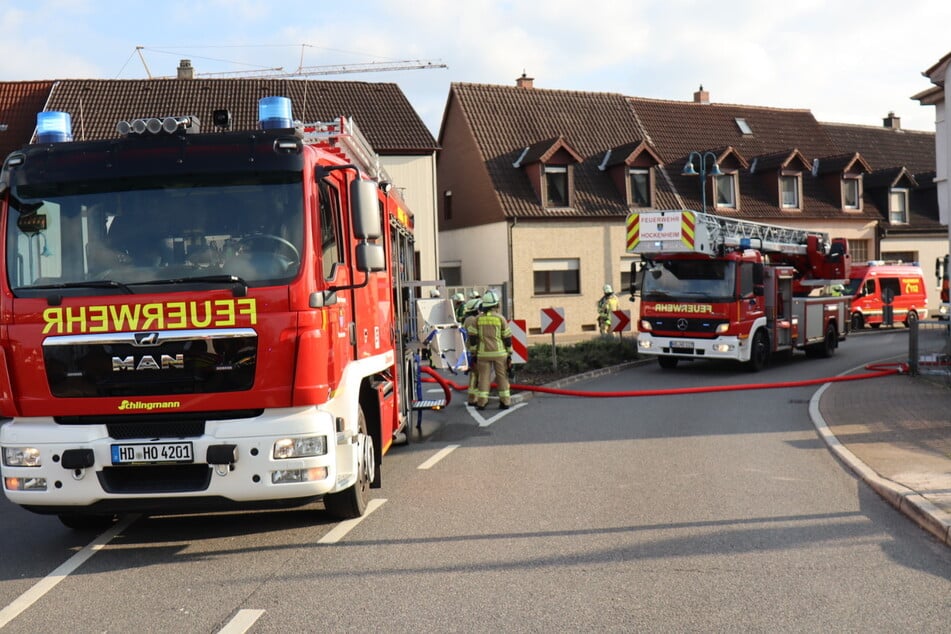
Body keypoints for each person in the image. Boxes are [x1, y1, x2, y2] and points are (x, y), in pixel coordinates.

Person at [468, 290, 513, 410]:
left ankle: (482, 402)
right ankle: (505, 402)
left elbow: (472, 337)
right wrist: (509, 352)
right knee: (502, 377)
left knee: (483, 377)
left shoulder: (477, 319)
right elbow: (507, 337)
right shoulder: (500, 319)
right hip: (500, 353)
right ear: (496, 305)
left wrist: (473, 352)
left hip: (483, 354)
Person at [460, 298, 482, 406]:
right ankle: (474, 398)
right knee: (476, 375)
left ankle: (472, 397)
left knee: (474, 374)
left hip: (469, 350)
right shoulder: (473, 320)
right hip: (474, 350)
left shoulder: (467, 319)